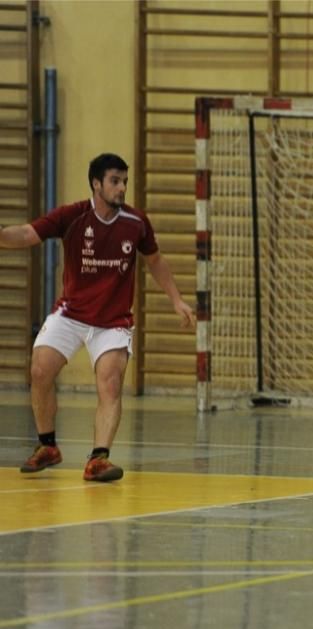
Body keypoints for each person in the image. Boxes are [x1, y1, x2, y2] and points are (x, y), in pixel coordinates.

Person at [0, 153, 194, 482]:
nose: (122, 188)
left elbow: (156, 260)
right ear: (96, 184)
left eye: (125, 182)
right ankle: (48, 446)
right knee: (40, 368)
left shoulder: (136, 222)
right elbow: (26, 235)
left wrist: (176, 300)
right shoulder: (72, 216)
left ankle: (98, 459)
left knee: (110, 381)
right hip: (71, 313)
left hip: (113, 321)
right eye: (115, 181)